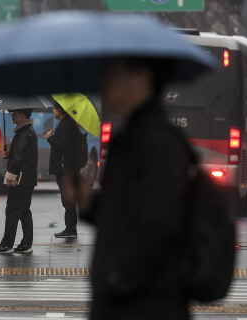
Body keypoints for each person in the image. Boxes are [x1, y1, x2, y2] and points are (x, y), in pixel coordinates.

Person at [69, 57, 192, 319]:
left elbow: (158, 223)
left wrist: (118, 281)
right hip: (127, 299)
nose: (103, 81)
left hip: (142, 305)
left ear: (142, 79)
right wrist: (90, 203)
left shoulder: (157, 141)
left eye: (112, 73)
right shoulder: (134, 134)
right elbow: (131, 210)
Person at [0, 109, 38, 254]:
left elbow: (18, 158)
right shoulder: (29, 131)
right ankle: (26, 243)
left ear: (23, 115)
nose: (12, 115)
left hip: (20, 179)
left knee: (12, 211)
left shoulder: (23, 133)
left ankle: (6, 244)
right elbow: (22, 154)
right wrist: (9, 154)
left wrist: (11, 176)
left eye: (15, 113)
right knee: (24, 211)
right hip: (28, 179)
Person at [43, 102, 81, 238]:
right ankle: (70, 229)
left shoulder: (66, 125)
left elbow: (64, 146)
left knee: (68, 199)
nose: (53, 111)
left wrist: (50, 138)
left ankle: (71, 230)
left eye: (54, 109)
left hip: (66, 168)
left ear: (59, 110)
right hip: (67, 167)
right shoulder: (66, 124)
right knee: (67, 199)